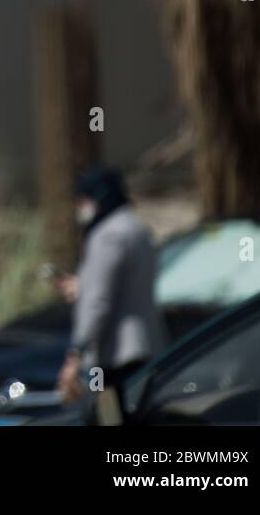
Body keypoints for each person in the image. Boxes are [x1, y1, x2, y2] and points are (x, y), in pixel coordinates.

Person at [56, 166, 166, 416]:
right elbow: (123, 284)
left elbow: (99, 301)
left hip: (117, 354)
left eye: (83, 201)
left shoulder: (106, 236)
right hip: (146, 345)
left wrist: (76, 353)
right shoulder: (136, 228)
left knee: (110, 419)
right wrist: (82, 284)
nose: (80, 209)